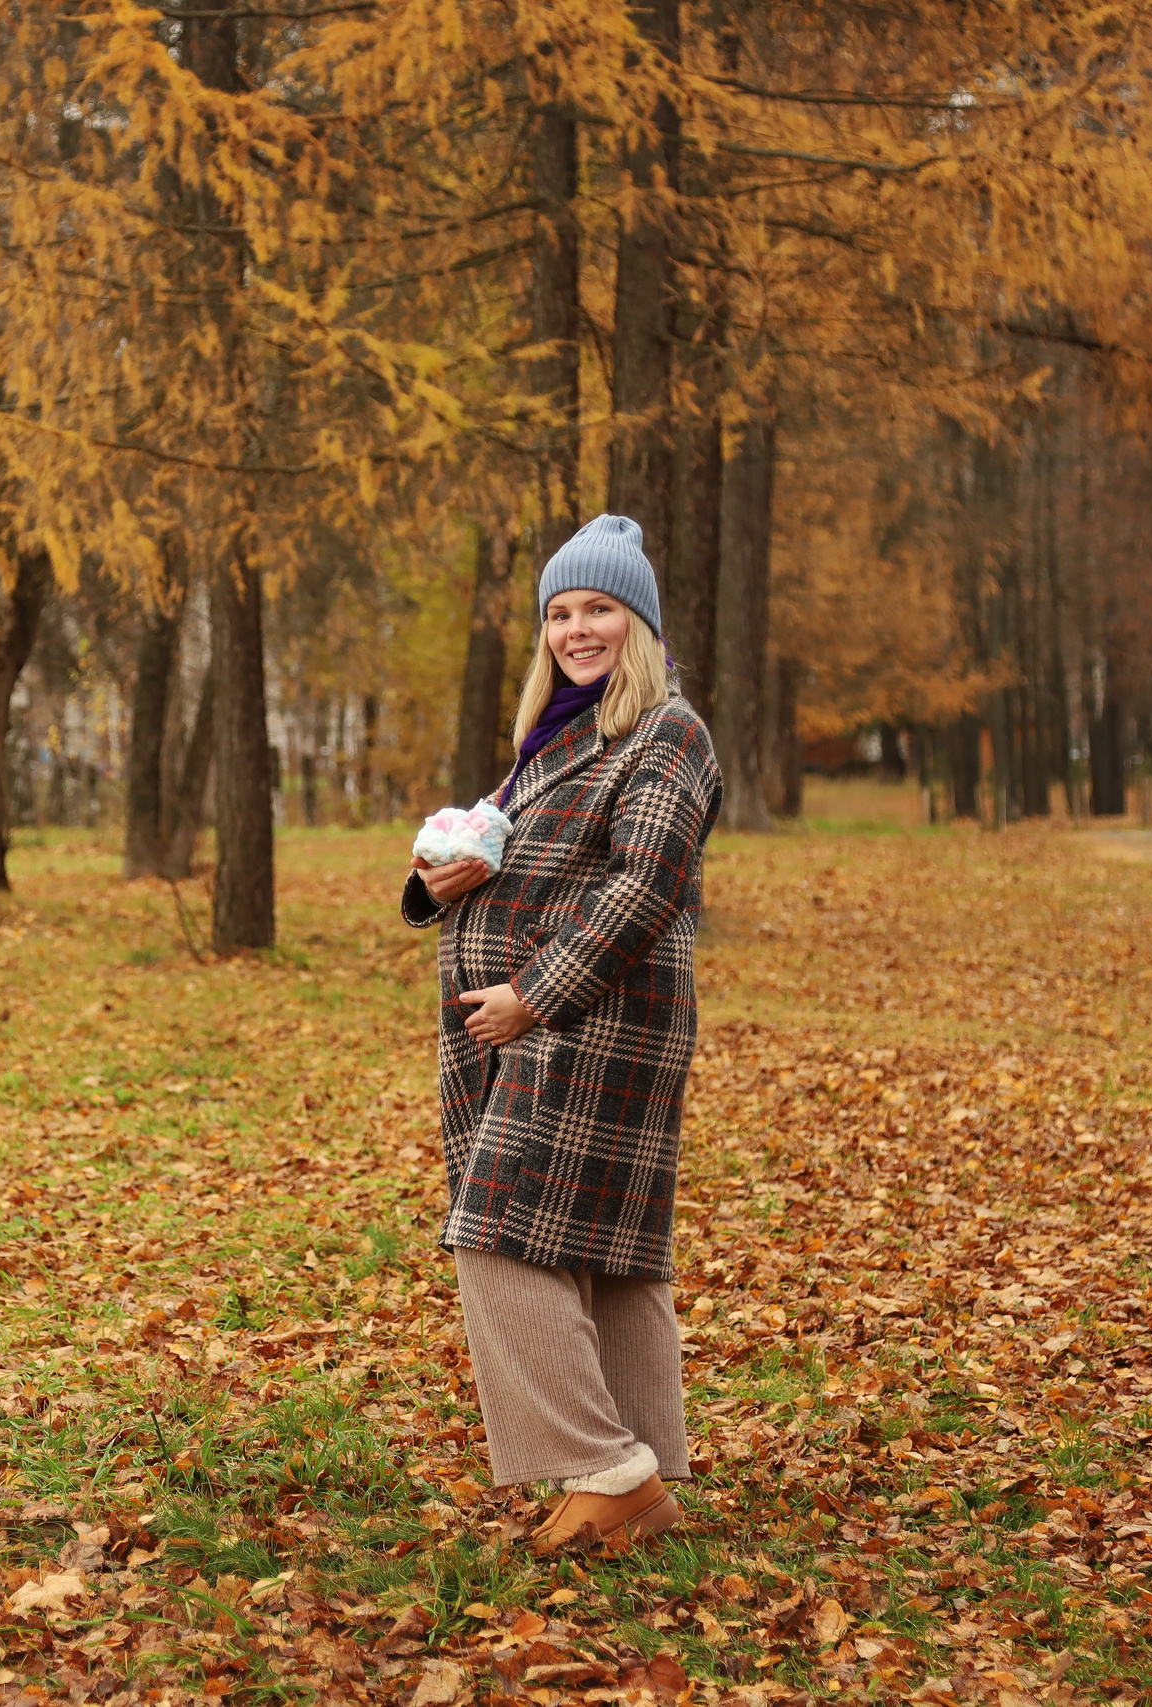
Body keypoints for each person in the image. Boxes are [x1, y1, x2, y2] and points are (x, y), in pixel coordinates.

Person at [400, 513, 723, 1555]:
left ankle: (604, 1469)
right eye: (559, 613)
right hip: (539, 1023)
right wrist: (430, 885)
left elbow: (646, 883)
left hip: (592, 1022)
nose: (576, 630)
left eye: (597, 609)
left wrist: (533, 994)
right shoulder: (553, 741)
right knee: (607, 1251)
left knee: (497, 1231)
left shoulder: (667, 732)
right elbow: (501, 857)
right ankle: (637, 1473)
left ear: (639, 622)